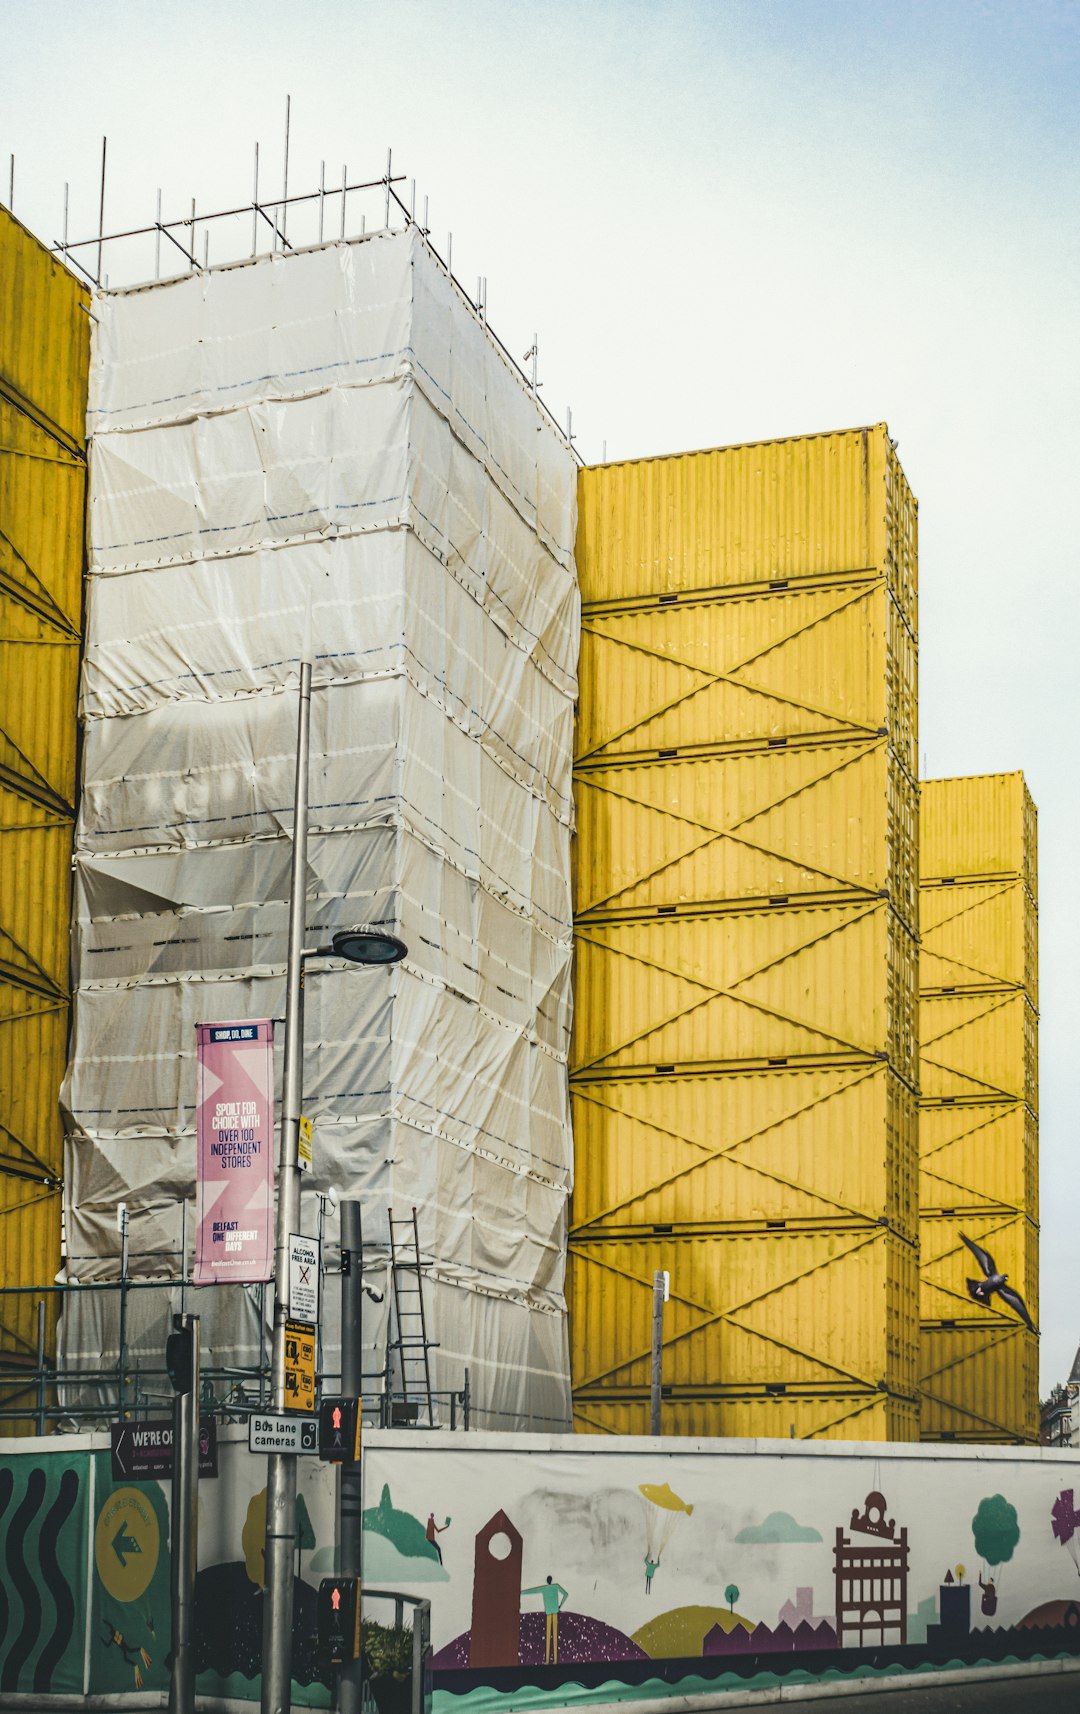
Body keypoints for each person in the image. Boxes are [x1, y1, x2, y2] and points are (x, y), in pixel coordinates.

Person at [522, 1574, 569, 1663]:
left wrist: (521, 1592)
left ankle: (547, 1661)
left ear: (547, 1581)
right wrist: (560, 1606)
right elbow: (566, 1594)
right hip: (555, 1611)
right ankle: (555, 1661)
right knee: (554, 1636)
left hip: (549, 1613)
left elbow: (532, 1591)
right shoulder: (556, 1586)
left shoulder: (544, 1588)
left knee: (548, 1636)